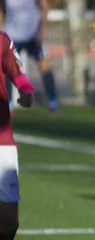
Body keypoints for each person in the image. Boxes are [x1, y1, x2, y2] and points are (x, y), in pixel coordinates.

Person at [0, 0, 57, 113]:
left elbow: (44, 5)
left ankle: (52, 100)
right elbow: (3, 6)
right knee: (6, 67)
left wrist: (42, 28)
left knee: (43, 64)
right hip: (13, 32)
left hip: (32, 32)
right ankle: (9, 103)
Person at [0, 32, 35, 240]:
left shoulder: (2, 41)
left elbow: (19, 75)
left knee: (9, 220)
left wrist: (26, 91)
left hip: (2, 140)